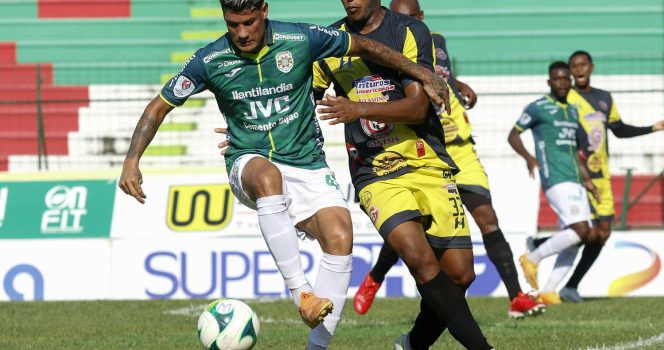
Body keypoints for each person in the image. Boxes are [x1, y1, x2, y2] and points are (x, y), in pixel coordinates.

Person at [117, 1, 450, 349]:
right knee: (267, 177)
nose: (242, 33)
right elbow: (159, 106)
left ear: (263, 10)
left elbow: (364, 45)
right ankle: (302, 293)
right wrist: (131, 160)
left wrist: (424, 73)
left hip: (307, 163)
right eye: (233, 25)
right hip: (249, 160)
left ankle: (316, 347)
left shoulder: (301, 37)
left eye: (248, 22)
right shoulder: (209, 59)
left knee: (340, 236)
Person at [313, 1, 492, 349]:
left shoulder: (409, 31)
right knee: (420, 259)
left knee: (460, 275)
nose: (350, 1)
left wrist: (358, 107)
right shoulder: (329, 42)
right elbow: (305, 99)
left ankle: (411, 345)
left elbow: (417, 107)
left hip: (427, 163)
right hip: (375, 172)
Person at [352, 0, 545, 320]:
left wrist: (459, 84)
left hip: (460, 147)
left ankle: (516, 296)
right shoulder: (387, 43)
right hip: (421, 146)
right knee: (411, 225)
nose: (401, 21)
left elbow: (439, 76)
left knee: (487, 218)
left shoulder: (431, 39)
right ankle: (375, 277)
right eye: (397, 15)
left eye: (409, 16)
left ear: (421, 18)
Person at [551, 50, 664, 302]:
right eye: (574, 66)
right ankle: (541, 249)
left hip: (601, 176)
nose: (579, 69)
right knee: (583, 231)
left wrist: (653, 128)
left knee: (603, 233)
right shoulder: (566, 99)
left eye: (583, 65)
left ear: (591, 67)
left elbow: (619, 130)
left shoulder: (604, 98)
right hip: (577, 174)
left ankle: (570, 286)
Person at [508, 61, 601, 303]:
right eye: (557, 79)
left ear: (570, 82)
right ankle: (533, 258)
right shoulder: (538, 107)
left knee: (580, 237)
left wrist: (588, 180)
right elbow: (513, 134)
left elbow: (574, 150)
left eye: (565, 79)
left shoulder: (571, 111)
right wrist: (529, 157)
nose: (562, 83)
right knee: (582, 230)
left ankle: (549, 290)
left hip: (576, 179)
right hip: (556, 178)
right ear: (549, 82)